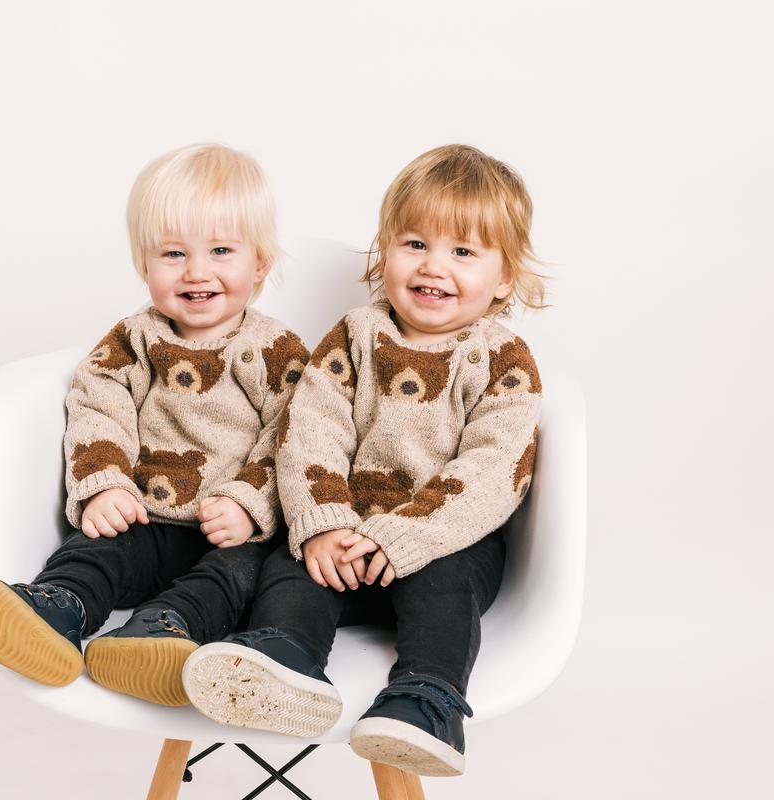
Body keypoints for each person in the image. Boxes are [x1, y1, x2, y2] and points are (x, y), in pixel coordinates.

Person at [181, 144, 548, 775]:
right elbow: (310, 433)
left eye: (463, 252)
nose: (434, 266)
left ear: (505, 277)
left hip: (443, 541)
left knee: (445, 585)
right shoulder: (355, 336)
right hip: (345, 539)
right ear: (385, 252)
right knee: (292, 565)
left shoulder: (503, 360)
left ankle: (426, 701)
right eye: (415, 244)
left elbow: (493, 470)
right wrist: (325, 524)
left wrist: (403, 537)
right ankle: (287, 658)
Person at [0, 143, 308, 707]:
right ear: (144, 264)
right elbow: (98, 408)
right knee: (99, 548)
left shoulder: (277, 350)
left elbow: (295, 436)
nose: (197, 272)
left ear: (259, 262)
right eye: (173, 253)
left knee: (237, 576)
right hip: (147, 518)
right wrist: (104, 486)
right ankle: (57, 607)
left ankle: (161, 630)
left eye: (221, 250)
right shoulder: (132, 341)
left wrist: (249, 503)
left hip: (235, 534)